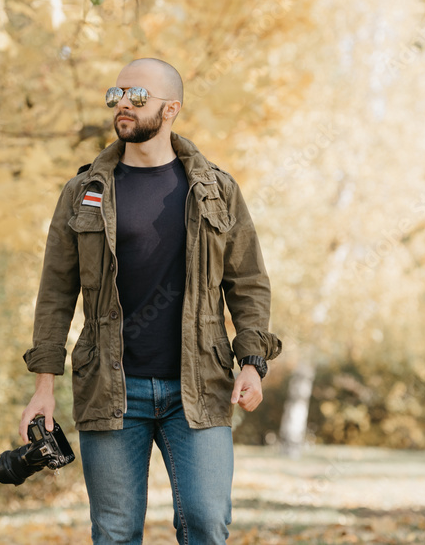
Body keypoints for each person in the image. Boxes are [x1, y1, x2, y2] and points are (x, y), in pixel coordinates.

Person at [19, 58, 282, 545]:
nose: (123, 103)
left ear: (171, 109)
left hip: (199, 387)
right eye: (116, 94)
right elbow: (55, 291)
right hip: (110, 388)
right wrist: (43, 387)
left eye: (137, 96)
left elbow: (248, 282)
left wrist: (252, 363)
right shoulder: (83, 192)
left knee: (207, 522)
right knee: (115, 533)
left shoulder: (217, 190)